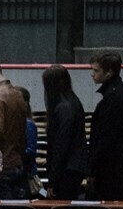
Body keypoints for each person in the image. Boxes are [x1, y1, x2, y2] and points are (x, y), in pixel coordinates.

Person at [84, 52, 123, 201]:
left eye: (96, 70)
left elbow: (104, 139)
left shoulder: (112, 98)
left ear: (109, 73)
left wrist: (92, 170)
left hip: (111, 173)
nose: (92, 74)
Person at [37, 66, 88, 201]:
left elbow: (61, 146)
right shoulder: (73, 102)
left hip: (66, 169)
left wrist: (53, 180)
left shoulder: (63, 108)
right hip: (74, 167)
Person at [0, 81, 37, 200]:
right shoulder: (19, 123)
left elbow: (30, 149)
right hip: (16, 163)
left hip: (21, 167)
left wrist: (15, 152)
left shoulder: (28, 124)